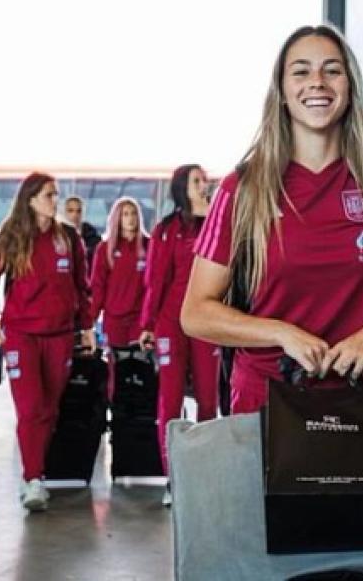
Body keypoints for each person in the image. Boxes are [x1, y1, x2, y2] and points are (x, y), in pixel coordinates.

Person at [181, 24, 363, 415]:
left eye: (332, 70)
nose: (316, 82)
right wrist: (282, 334)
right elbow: (196, 312)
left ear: (350, 87)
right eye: (300, 71)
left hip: (361, 399)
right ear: (282, 92)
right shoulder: (244, 190)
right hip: (266, 402)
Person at [0, 173, 96, 512]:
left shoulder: (68, 237)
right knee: (30, 408)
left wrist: (87, 327)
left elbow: (81, 286)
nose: (55, 201)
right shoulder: (12, 238)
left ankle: (38, 472)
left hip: (60, 335)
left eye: (56, 194)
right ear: (30, 199)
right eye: (48, 195)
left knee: (49, 409)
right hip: (21, 336)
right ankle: (33, 479)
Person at [138, 163, 218, 507]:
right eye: (195, 181)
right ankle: (173, 478)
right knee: (169, 401)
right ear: (181, 188)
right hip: (171, 322)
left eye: (204, 180)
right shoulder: (165, 230)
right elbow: (155, 280)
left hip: (208, 320)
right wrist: (148, 324)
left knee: (208, 400)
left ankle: (204, 474)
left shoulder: (218, 225)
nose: (202, 185)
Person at [89, 197, 150, 399]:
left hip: (140, 322)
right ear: (117, 218)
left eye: (133, 214)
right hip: (114, 321)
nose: (130, 219)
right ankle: (115, 410)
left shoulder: (149, 247)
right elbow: (97, 287)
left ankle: (139, 413)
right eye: (125, 214)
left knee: (141, 367)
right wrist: (89, 321)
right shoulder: (104, 249)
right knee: (115, 370)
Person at [63, 195, 102, 271]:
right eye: (70, 210)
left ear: (83, 213)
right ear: (65, 212)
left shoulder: (94, 237)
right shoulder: (57, 235)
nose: (75, 215)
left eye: (79, 211)